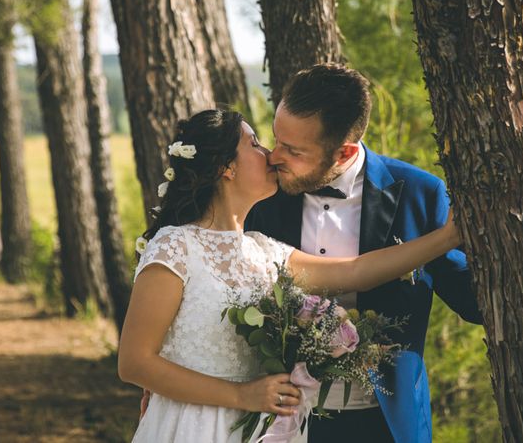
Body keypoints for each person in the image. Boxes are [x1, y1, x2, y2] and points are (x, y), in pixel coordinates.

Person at [121, 108, 465, 443]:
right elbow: (134, 362)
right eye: (255, 144)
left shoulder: (264, 251)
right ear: (226, 167)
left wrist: (448, 237)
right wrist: (242, 395)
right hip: (192, 425)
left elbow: (357, 271)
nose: (270, 155)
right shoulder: (175, 246)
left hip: (261, 428)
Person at [245, 64, 482, 443]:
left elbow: (474, 303)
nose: (274, 156)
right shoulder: (262, 196)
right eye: (276, 140)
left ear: (345, 151)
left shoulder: (419, 195)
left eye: (292, 149)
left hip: (385, 421)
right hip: (282, 420)